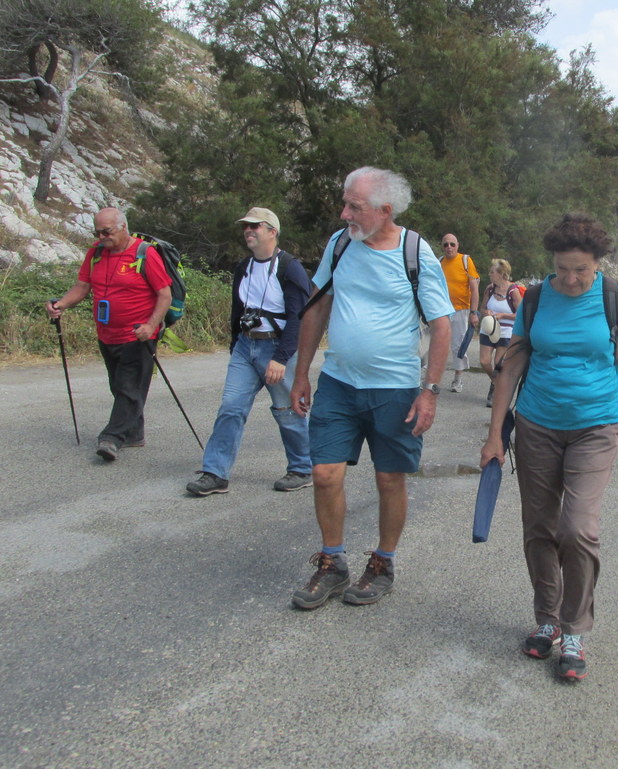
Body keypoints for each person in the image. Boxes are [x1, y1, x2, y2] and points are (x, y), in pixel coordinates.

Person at [480, 213, 618, 681]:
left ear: (598, 263)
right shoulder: (535, 299)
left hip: (597, 427)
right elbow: (511, 369)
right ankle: (547, 620)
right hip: (537, 425)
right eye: (563, 269)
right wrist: (495, 435)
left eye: (581, 269)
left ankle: (575, 628)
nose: (572, 279)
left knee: (577, 529)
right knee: (539, 527)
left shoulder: (617, 300)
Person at [289, 167, 453, 610]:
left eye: (354, 207)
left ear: (385, 210)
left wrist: (430, 391)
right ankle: (332, 562)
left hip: (395, 389)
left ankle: (383, 562)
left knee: (389, 478)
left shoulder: (415, 252)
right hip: (339, 384)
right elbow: (318, 305)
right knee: (323, 474)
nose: (344, 214)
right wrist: (302, 372)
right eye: (345, 203)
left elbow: (441, 327)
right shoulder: (340, 244)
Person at [186, 208, 314, 497]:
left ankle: (302, 469)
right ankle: (215, 473)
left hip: (278, 347)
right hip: (246, 346)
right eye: (246, 226)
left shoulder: (289, 267)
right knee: (231, 408)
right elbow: (237, 309)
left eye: (256, 226)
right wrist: (235, 345)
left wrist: (280, 358)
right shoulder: (243, 266)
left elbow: (299, 317)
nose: (249, 230)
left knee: (288, 412)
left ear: (273, 231)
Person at [45, 207, 172, 462]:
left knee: (127, 386)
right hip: (107, 334)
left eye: (107, 231)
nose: (102, 237)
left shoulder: (144, 254)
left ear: (123, 227)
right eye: (98, 232)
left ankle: (112, 438)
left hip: (138, 335)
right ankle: (134, 433)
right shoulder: (96, 253)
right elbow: (82, 287)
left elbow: (165, 295)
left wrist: (151, 326)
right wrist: (60, 305)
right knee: (120, 386)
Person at [439, 233, 480, 392]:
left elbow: (474, 289)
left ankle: (458, 379)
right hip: (442, 310)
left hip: (461, 310)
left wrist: (473, 312)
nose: (449, 247)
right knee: (436, 343)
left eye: (452, 244)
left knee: (458, 345)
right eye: (445, 244)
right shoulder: (439, 262)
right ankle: (431, 377)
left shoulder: (465, 261)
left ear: (458, 246)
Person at [478, 258, 519, 408]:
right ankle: (495, 382)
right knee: (484, 361)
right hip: (488, 328)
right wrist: (485, 312)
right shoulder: (489, 289)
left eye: (492, 272)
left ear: (501, 274)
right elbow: (481, 308)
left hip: (506, 331)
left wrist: (503, 316)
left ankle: (495, 391)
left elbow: (520, 314)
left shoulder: (513, 291)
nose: (490, 274)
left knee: (498, 364)